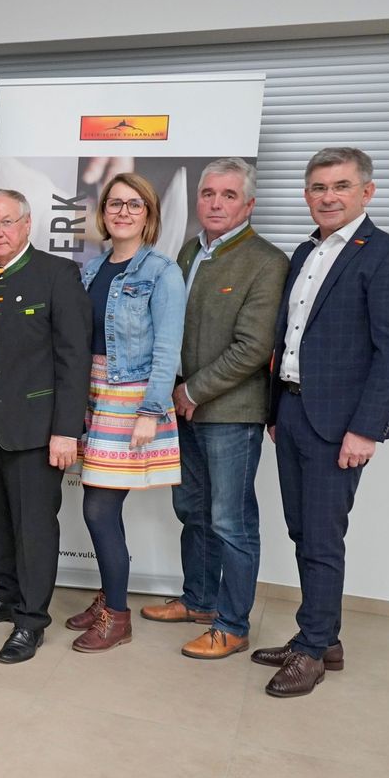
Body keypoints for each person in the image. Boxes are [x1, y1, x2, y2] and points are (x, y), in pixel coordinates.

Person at [255, 147, 389, 697]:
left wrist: (366, 429)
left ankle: (311, 650)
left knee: (323, 538)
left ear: (366, 192)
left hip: (340, 423)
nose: (328, 197)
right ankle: (322, 638)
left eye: (341, 186)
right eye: (318, 187)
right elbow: (288, 337)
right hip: (292, 412)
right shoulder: (306, 251)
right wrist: (275, 410)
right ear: (306, 194)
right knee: (302, 530)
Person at [139, 158, 289, 659]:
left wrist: (194, 391)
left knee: (231, 522)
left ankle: (232, 624)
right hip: (182, 410)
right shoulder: (189, 251)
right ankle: (199, 602)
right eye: (208, 194)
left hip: (230, 414)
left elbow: (253, 347)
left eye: (229, 195)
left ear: (249, 204)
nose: (216, 203)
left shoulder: (266, 261)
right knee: (192, 511)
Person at [0, 190, 92, 663]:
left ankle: (31, 621)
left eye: (6, 222)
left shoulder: (57, 275)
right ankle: (5, 594)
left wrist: (66, 430)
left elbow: (73, 359)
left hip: (37, 427)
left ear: (27, 224)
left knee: (34, 526)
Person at [65, 173, 185, 652]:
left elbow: (168, 347)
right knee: (99, 508)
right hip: (93, 393)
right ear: (103, 212)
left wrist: (151, 411)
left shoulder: (162, 271)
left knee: (99, 508)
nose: (123, 212)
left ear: (149, 214)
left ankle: (117, 616)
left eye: (135, 204)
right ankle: (108, 598)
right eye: (115, 203)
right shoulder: (93, 269)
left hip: (131, 398)